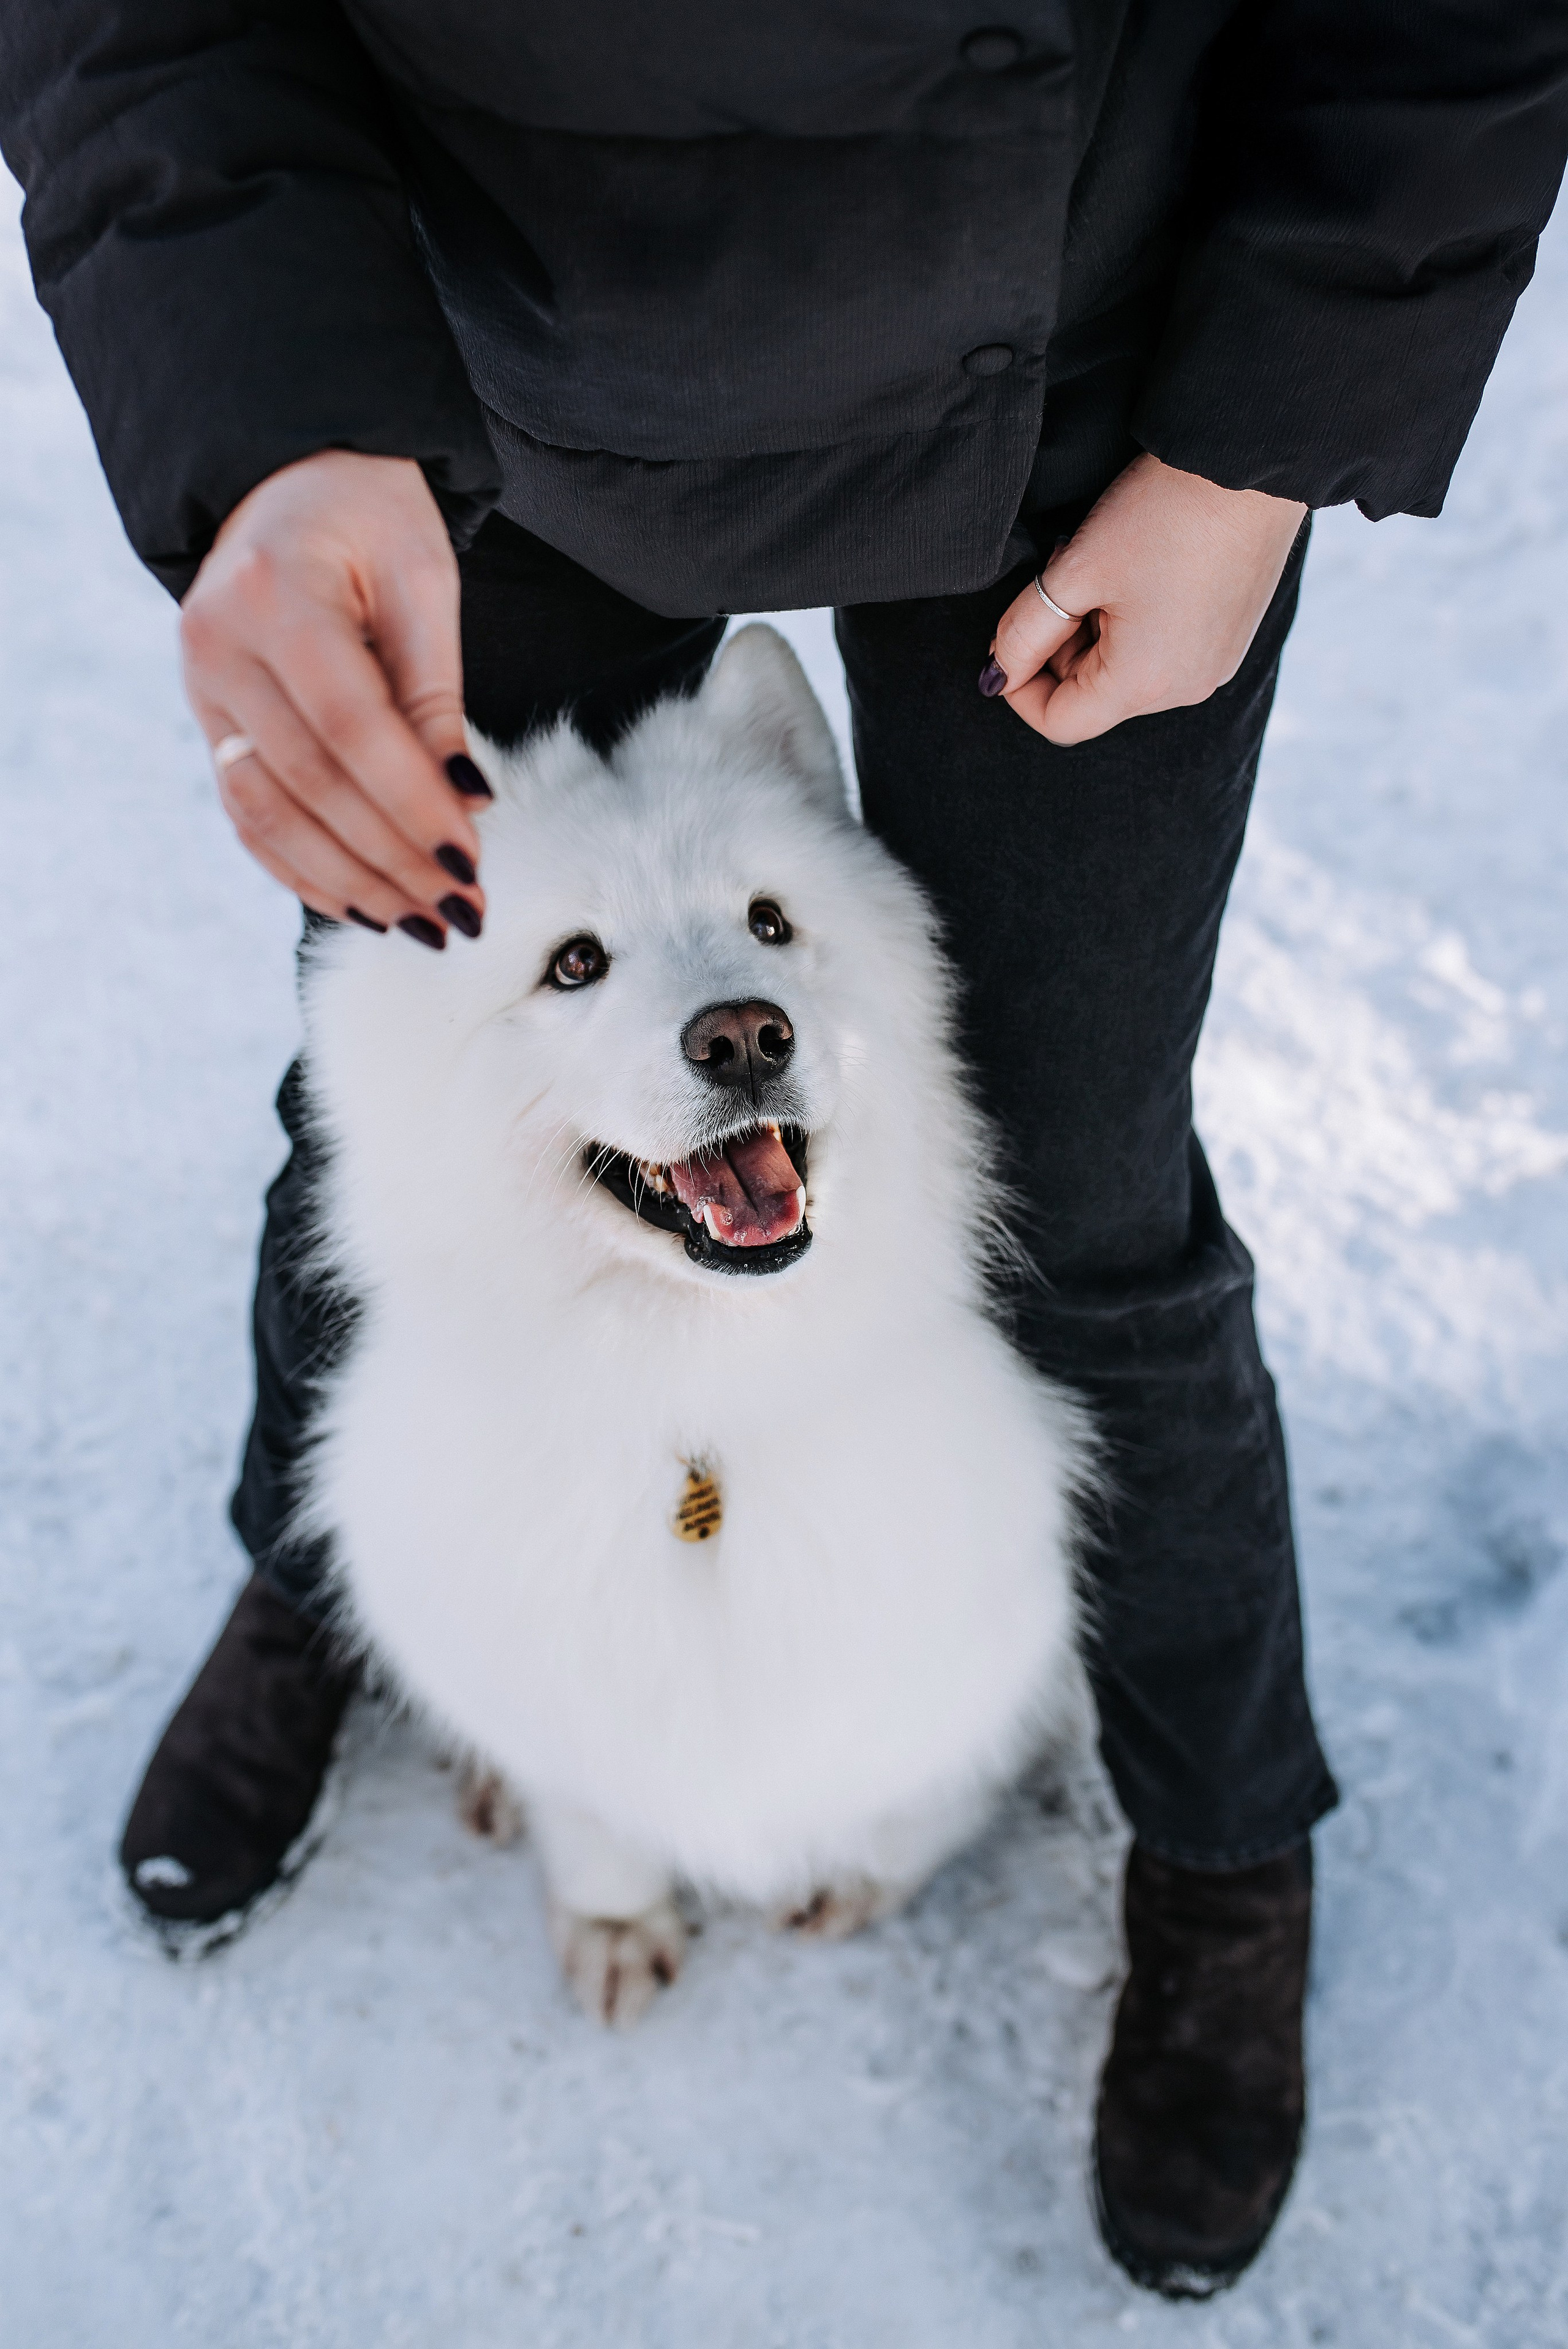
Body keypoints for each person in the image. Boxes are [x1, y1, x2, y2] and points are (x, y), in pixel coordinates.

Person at [4, 0, 1564, 2301]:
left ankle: (1225, 1835)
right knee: (414, 1122)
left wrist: (1264, 439)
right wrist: (267, 415)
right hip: (474, 356)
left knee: (1079, 1191)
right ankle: (329, 1574)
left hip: (1094, 360)